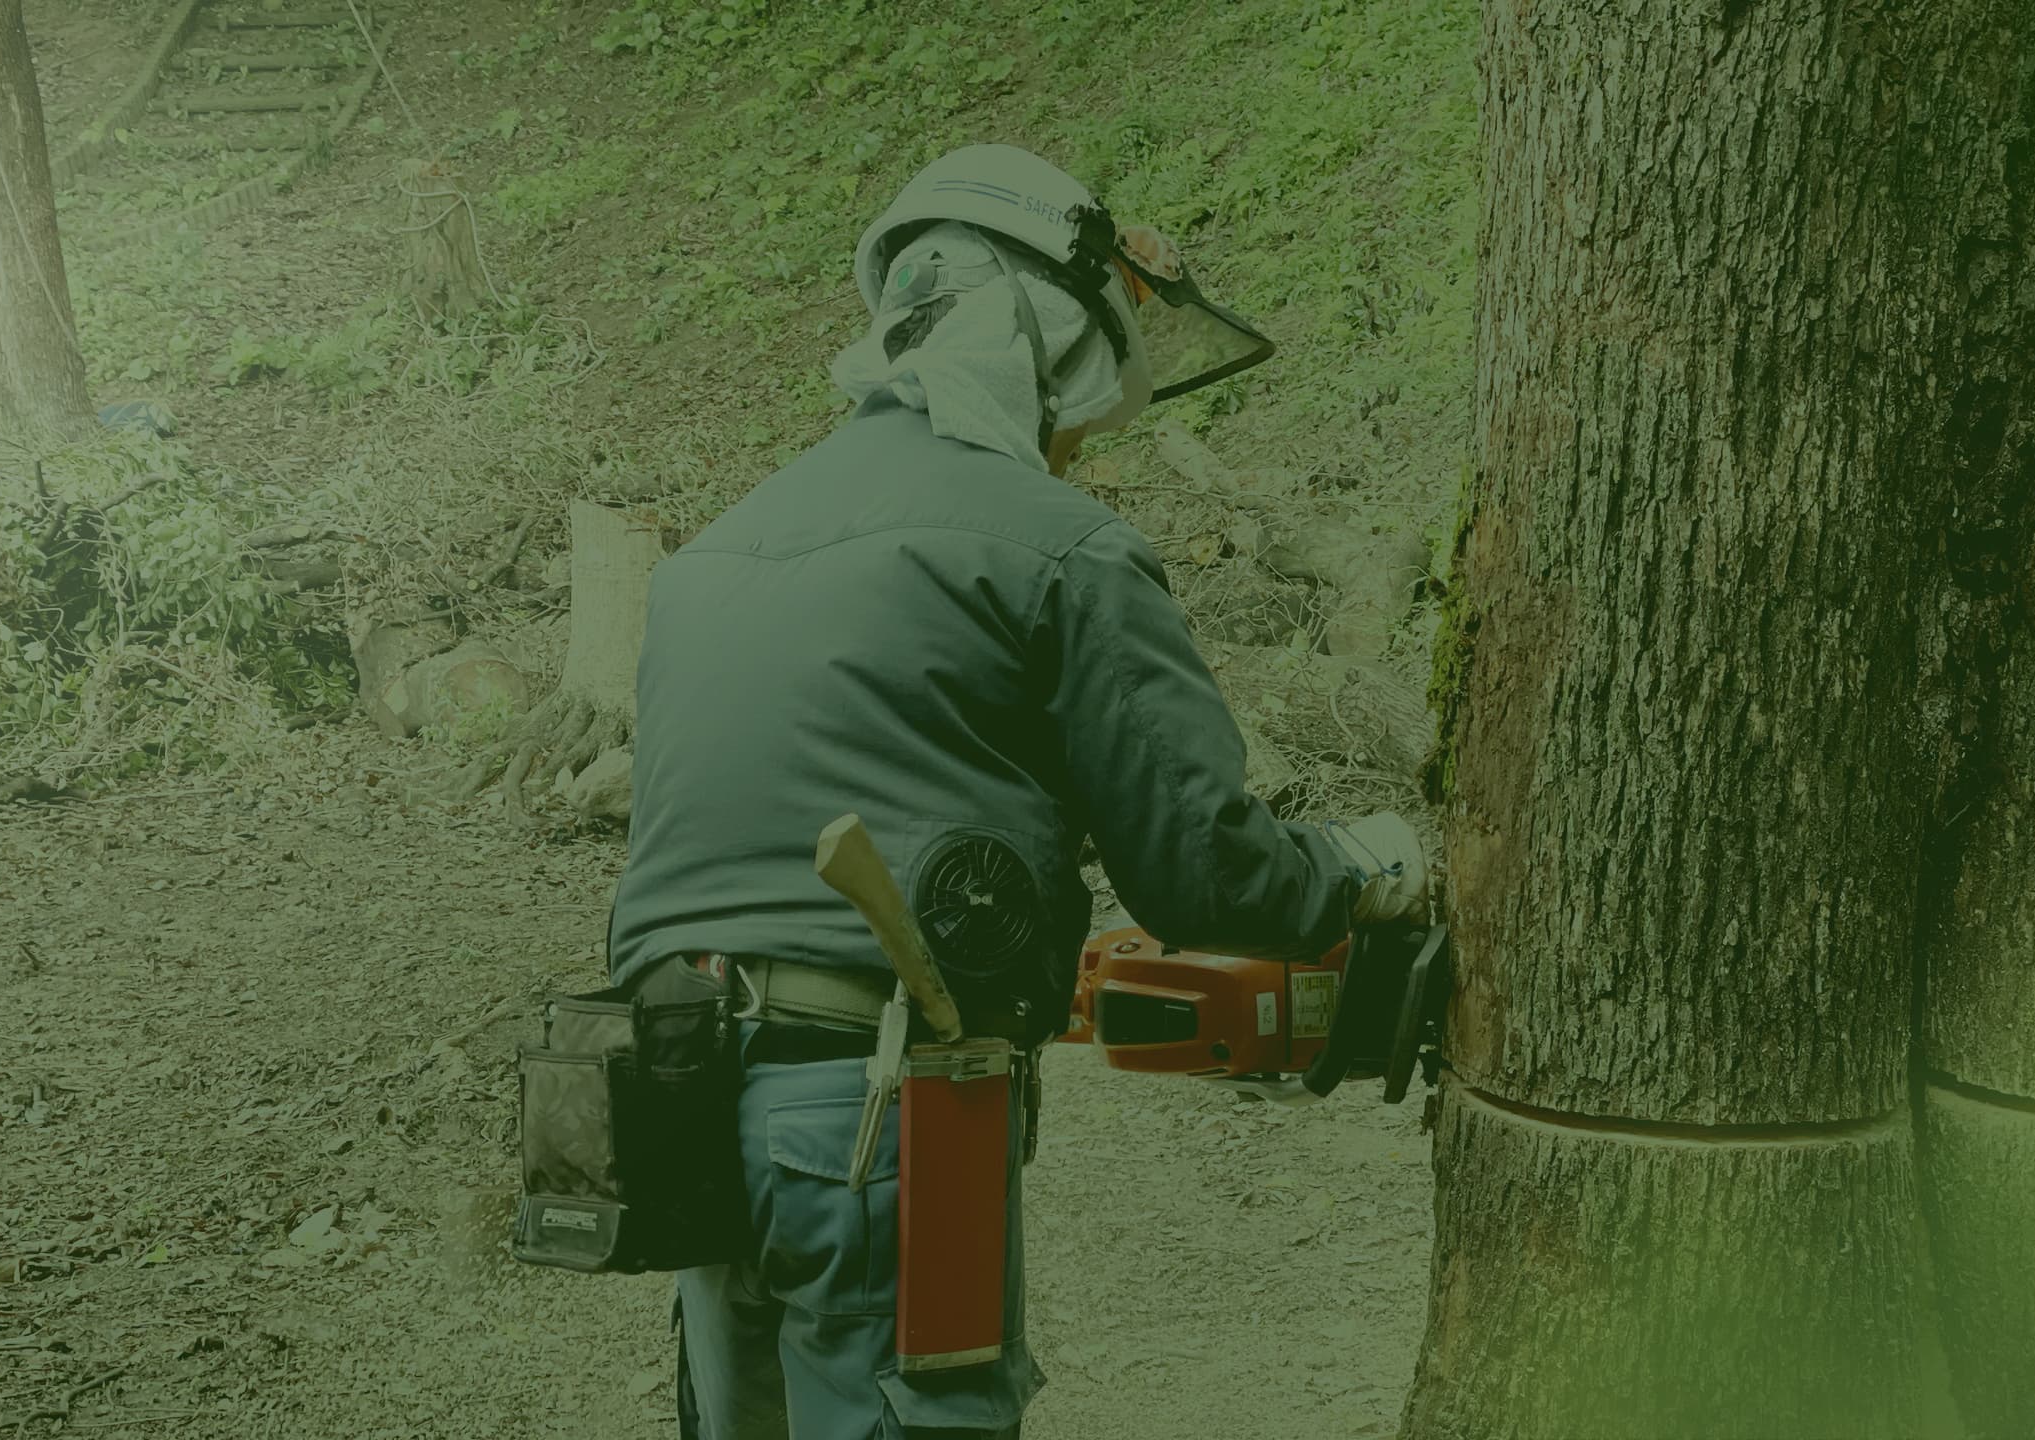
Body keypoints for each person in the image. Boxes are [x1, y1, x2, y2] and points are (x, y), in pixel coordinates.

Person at [606, 143, 1428, 1440]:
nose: (1078, 451)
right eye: (1078, 411)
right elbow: (1204, 873)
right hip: (895, 1111)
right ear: (1040, 346)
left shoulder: (719, 551)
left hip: (677, 1091)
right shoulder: (1059, 547)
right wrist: (1370, 865)